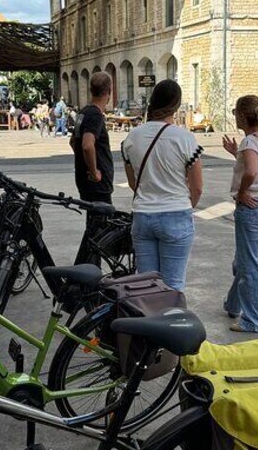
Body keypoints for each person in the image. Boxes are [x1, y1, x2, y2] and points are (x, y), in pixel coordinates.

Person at [122, 79, 204, 292]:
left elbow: (133, 183)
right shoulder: (185, 138)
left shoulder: (132, 138)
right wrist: (184, 206)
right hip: (176, 213)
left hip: (142, 216)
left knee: (146, 284)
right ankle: (171, 323)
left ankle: (149, 323)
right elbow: (197, 188)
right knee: (173, 285)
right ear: (176, 105)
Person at [222, 95, 258, 333]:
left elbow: (252, 172)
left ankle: (254, 320)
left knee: (248, 265)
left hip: (251, 208)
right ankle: (233, 304)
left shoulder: (249, 143)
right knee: (242, 261)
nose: (234, 116)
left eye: (235, 112)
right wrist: (236, 154)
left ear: (243, 116)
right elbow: (254, 166)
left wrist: (242, 192)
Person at [70, 73, 116, 263]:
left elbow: (73, 142)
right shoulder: (95, 115)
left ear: (90, 90)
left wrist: (82, 164)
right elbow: (87, 144)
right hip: (97, 184)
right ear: (109, 92)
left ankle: (85, 267)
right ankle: (90, 271)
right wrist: (94, 170)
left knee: (94, 226)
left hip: (83, 181)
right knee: (99, 230)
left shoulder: (83, 112)